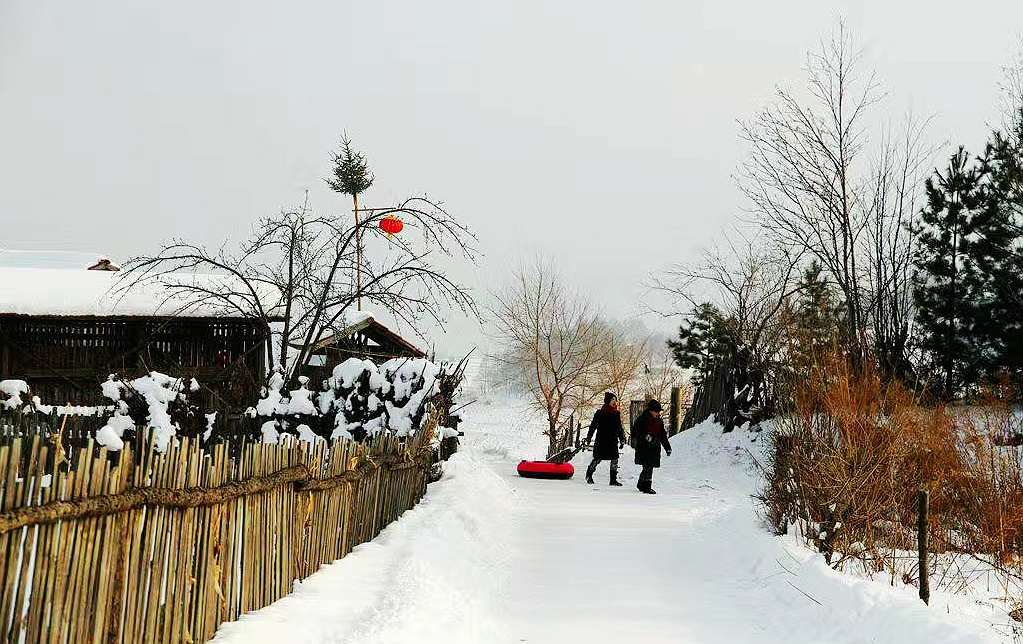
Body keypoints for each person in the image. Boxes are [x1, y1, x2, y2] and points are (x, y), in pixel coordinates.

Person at [584, 392, 627, 486]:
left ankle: (613, 480)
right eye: (613, 400)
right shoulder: (600, 413)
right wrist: (589, 437)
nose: (615, 402)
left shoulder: (616, 413)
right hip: (602, 440)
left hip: (612, 440)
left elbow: (619, 427)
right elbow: (593, 426)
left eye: (615, 400)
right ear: (608, 401)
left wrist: (622, 439)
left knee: (615, 459)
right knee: (597, 459)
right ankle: (589, 475)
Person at [631, 399, 671, 494]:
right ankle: (646, 487)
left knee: (648, 467)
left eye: (659, 411)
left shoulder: (659, 422)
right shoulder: (641, 420)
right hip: (644, 448)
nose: (658, 413)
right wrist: (645, 436)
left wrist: (667, 448)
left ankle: (641, 484)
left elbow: (663, 436)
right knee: (648, 467)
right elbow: (634, 433)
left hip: (654, 448)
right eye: (656, 411)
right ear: (651, 411)